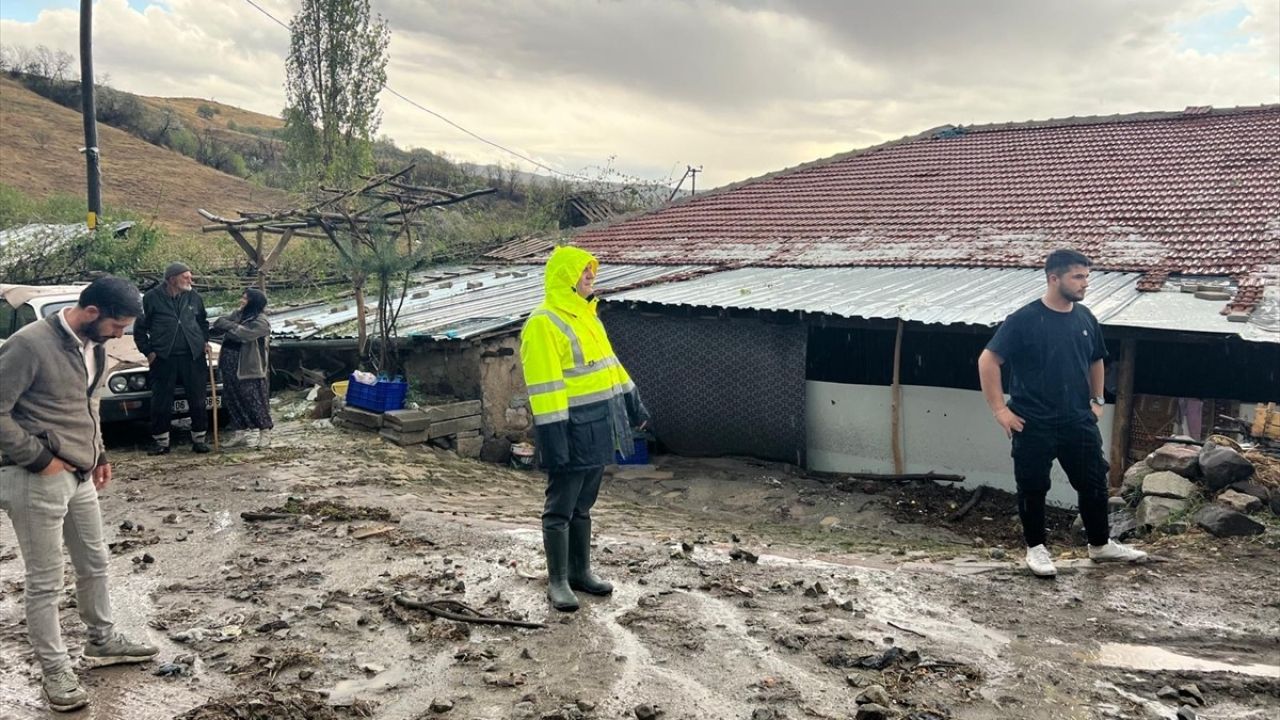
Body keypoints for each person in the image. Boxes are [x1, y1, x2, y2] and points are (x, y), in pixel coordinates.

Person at [0, 277, 160, 713]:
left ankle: (102, 640)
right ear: (92, 313)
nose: (122, 335)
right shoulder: (28, 345)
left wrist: (99, 451)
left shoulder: (95, 345)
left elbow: (87, 404)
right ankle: (55, 670)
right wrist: (38, 458)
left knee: (94, 562)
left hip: (81, 474)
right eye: (118, 325)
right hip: (36, 478)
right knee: (45, 582)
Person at [978, 249, 1148, 577]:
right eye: (1078, 277)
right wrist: (1000, 410)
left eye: (1087, 276)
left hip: (1077, 420)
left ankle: (1100, 545)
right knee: (1033, 486)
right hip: (1032, 421)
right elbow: (988, 360)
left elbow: (1097, 359)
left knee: (1094, 482)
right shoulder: (1024, 319)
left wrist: (1097, 400)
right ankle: (1036, 549)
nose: (1086, 284)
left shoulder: (1085, 318)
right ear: (1054, 278)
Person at [519, 246, 649, 612]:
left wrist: (632, 400)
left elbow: (611, 366)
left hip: (598, 425)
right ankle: (558, 580)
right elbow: (544, 386)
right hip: (570, 428)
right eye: (584, 272)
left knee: (583, 505)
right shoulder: (544, 322)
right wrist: (553, 437)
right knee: (560, 507)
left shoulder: (588, 318)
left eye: (592, 272)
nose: (592, 277)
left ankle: (580, 572)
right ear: (566, 278)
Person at [134, 262, 212, 455]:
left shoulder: (194, 297)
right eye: (185, 277)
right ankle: (162, 442)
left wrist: (203, 341)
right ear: (171, 279)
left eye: (190, 276)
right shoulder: (151, 298)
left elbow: (202, 321)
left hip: (193, 356)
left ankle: (199, 440)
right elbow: (140, 329)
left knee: (198, 399)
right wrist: (149, 352)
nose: (190, 280)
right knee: (161, 401)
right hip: (164, 357)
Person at [211, 288, 274, 449]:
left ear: (253, 302)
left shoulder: (261, 320)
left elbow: (245, 335)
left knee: (253, 398)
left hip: (248, 366)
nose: (242, 301)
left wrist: (230, 327)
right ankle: (239, 432)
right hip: (229, 362)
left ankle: (264, 431)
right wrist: (232, 325)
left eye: (245, 299)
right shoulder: (238, 315)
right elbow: (219, 322)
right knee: (232, 398)